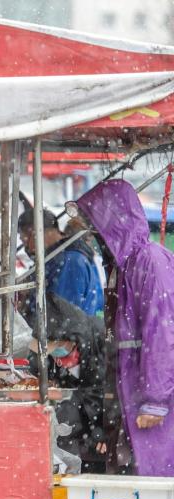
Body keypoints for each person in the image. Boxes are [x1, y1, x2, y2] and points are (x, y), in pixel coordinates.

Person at [76, 179, 174, 475]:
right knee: (137, 475)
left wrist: (155, 400)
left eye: (95, 228)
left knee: (154, 474)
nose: (93, 236)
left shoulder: (150, 262)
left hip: (152, 396)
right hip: (132, 390)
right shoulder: (123, 267)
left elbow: (162, 333)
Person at [27, 293, 119, 470]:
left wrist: (106, 428)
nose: (58, 359)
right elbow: (36, 367)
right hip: (77, 423)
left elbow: (109, 389)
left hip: (106, 417)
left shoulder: (101, 339)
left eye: (60, 350)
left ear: (73, 341)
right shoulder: (47, 342)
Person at [18, 196, 103, 317]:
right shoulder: (56, 259)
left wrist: (27, 303)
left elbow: (60, 315)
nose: (26, 247)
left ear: (36, 233)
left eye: (24, 240)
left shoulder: (70, 261)